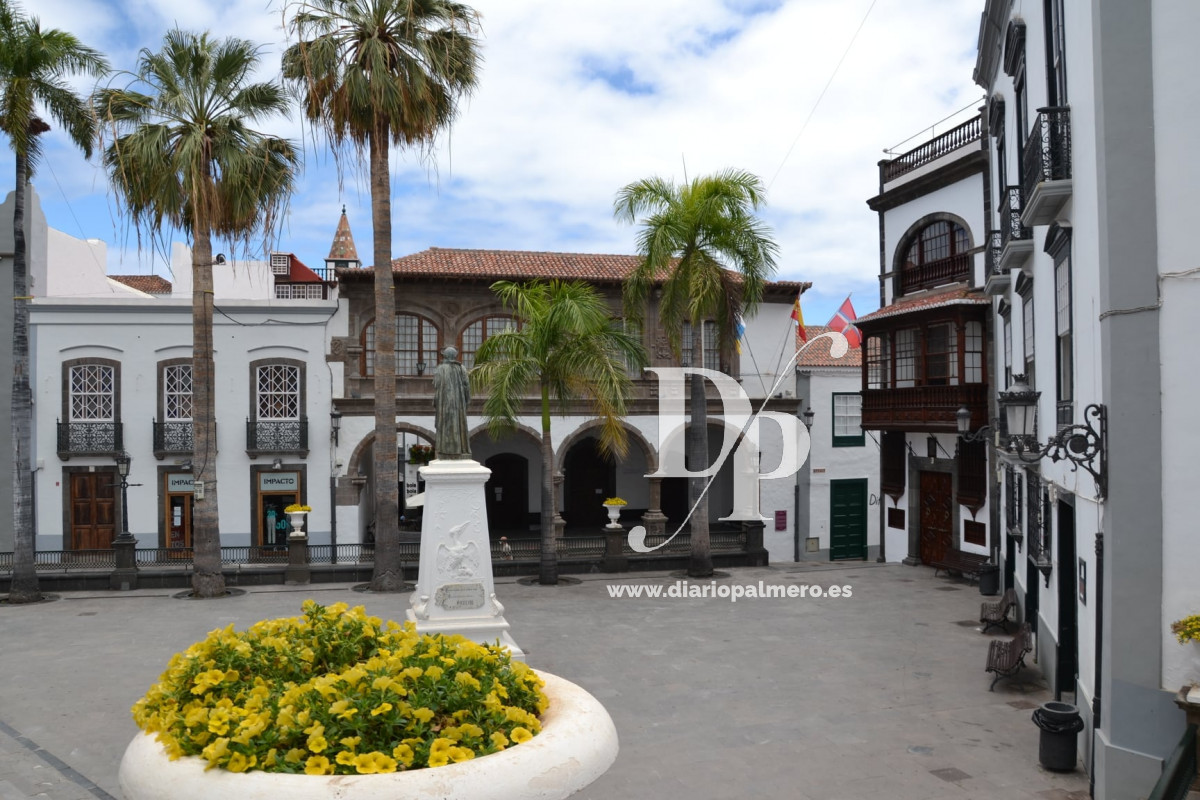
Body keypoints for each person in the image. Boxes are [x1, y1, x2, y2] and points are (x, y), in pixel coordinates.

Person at [433, 346, 472, 460]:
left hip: (444, 403)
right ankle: (461, 449)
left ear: (445, 356)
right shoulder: (462, 369)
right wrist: (466, 400)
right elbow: (466, 386)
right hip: (458, 404)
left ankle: (445, 450)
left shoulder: (440, 369)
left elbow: (436, 384)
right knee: (459, 424)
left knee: (445, 424)